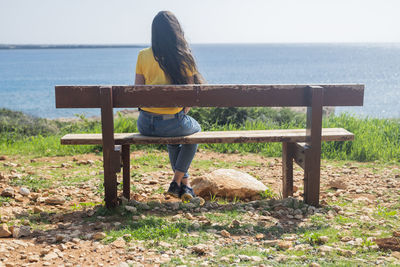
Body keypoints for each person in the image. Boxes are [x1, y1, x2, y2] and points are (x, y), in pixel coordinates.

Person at [135, 11, 203, 201]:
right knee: (195, 132)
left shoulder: (142, 56)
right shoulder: (184, 57)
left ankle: (185, 187)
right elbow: (189, 98)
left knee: (174, 140)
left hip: (145, 124)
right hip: (171, 123)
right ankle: (176, 181)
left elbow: (136, 93)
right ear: (176, 31)